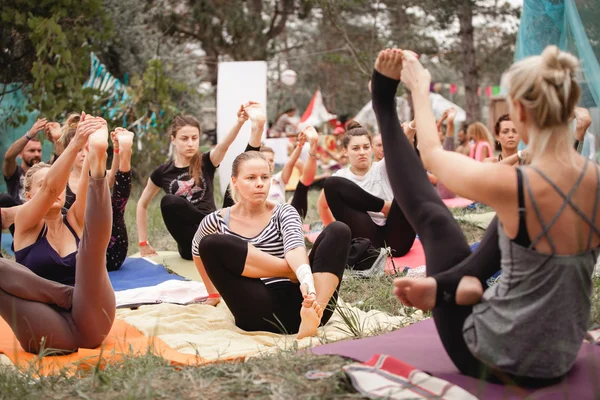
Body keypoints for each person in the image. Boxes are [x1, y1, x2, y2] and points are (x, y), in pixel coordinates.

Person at [374, 46, 598, 386]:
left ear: (519, 111)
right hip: (558, 359)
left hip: (492, 360)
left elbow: (432, 155)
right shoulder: (594, 181)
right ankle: (453, 284)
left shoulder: (516, 185)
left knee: (436, 222)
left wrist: (421, 90)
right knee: (516, 221)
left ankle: (383, 106)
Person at [191, 150, 350, 339]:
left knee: (338, 230)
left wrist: (305, 279)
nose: (259, 183)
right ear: (235, 182)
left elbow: (295, 247)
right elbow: (197, 250)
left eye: (264, 177)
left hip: (305, 301)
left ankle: (314, 315)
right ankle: (290, 273)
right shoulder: (215, 221)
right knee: (211, 243)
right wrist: (213, 293)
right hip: (258, 310)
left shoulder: (284, 211)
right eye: (250, 178)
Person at [0, 113, 115, 354]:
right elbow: (51, 189)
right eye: (40, 186)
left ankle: (99, 160)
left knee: (90, 249)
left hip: (93, 318)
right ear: (30, 197)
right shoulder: (25, 224)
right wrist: (74, 145)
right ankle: (65, 295)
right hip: (49, 327)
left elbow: (89, 193)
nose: (55, 189)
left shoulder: (73, 219)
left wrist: (93, 150)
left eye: (61, 184)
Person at [137, 108, 248, 260]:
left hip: (213, 235)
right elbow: (142, 204)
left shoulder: (206, 162)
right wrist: (143, 243)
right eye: (184, 139)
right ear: (173, 139)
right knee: (169, 201)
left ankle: (220, 228)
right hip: (189, 245)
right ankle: (220, 229)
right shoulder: (163, 172)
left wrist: (240, 122)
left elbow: (224, 145)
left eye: (194, 138)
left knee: (234, 186)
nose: (190, 143)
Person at [318, 121, 416, 257]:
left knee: (408, 182)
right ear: (345, 151)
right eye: (356, 148)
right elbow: (322, 205)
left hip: (398, 241)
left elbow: (401, 148)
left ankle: (387, 208)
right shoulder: (341, 177)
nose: (362, 152)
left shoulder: (383, 166)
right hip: (369, 244)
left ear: (371, 148)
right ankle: (384, 207)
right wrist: (335, 231)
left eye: (366, 147)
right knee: (331, 183)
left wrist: (412, 125)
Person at [57, 119, 134, 271]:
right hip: (80, 252)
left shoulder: (99, 173)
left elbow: (112, 179)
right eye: (79, 149)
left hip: (112, 249)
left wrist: (118, 149)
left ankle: (126, 153)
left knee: (114, 207)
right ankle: (126, 154)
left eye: (88, 149)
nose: (84, 154)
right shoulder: (61, 181)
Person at [259, 129, 318, 219]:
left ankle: (313, 148)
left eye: (271, 160)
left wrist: (300, 145)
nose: (268, 163)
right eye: (264, 159)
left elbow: (290, 163)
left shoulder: (277, 178)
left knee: (301, 189)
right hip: (264, 220)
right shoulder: (253, 182)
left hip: (283, 218)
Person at [3, 119, 45, 204]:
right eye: (32, 151)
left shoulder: (45, 170)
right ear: (20, 154)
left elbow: (59, 157)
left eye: (39, 151)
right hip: (17, 213)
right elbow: (9, 157)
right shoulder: (15, 173)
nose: (36, 154)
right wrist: (29, 135)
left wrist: (56, 138)